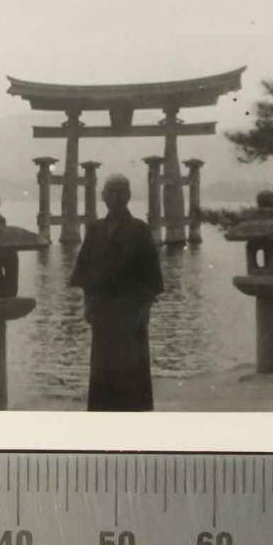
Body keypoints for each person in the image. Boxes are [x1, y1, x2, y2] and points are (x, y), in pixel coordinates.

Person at [70, 173, 163, 411]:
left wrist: (144, 309)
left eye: (120, 191)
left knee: (133, 367)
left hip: (131, 310)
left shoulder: (140, 230)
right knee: (102, 365)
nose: (115, 196)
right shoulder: (95, 229)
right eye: (110, 192)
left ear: (129, 196)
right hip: (102, 310)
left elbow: (151, 276)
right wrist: (87, 305)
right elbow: (84, 273)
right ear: (103, 196)